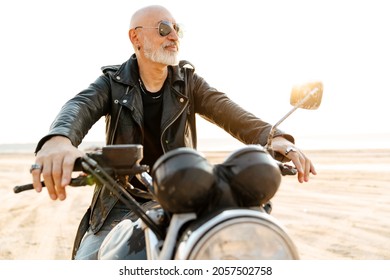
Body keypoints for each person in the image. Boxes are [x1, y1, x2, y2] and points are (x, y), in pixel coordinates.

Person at [30, 5, 316, 260]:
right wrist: (59, 139)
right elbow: (79, 106)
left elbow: (228, 111)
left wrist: (274, 137)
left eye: (177, 29)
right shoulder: (112, 83)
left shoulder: (189, 83)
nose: (174, 36)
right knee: (90, 258)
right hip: (121, 199)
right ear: (136, 38)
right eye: (164, 28)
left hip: (185, 190)